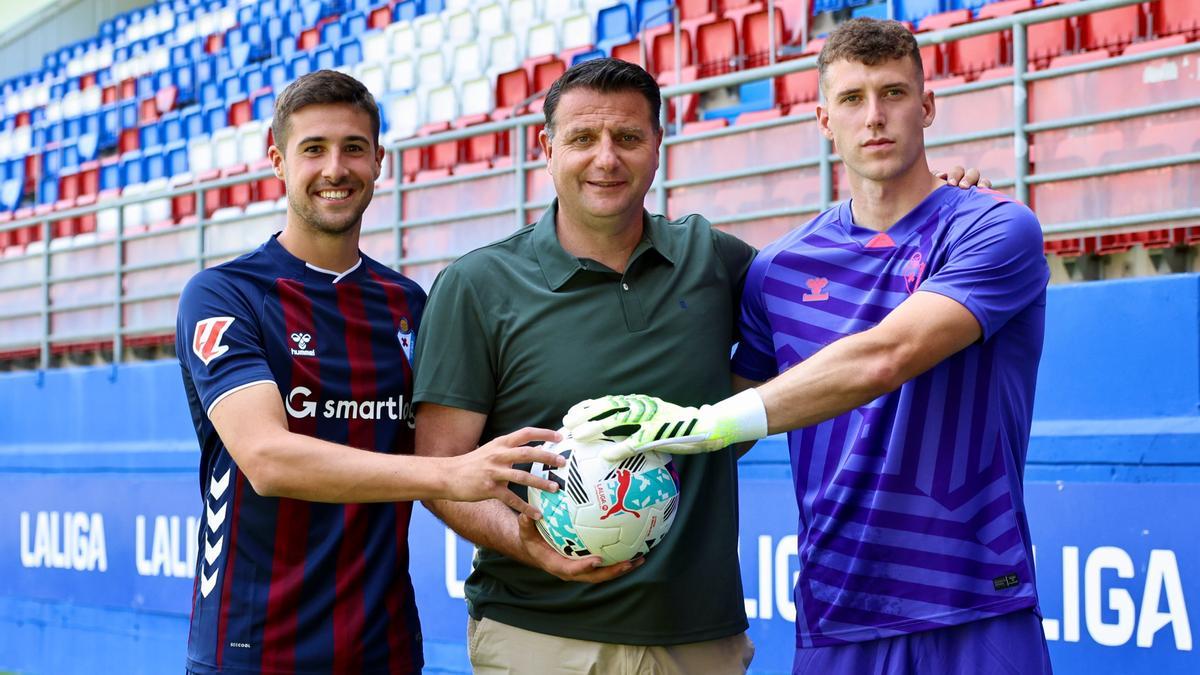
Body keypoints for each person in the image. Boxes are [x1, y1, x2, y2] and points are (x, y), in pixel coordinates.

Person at [412, 57, 990, 675]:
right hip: (542, 634)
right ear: (546, 147)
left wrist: (931, 205)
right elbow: (440, 467)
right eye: (583, 139)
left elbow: (840, 275)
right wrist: (527, 545)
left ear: (658, 146)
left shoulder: (711, 258)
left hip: (699, 637)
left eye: (628, 138)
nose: (606, 159)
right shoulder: (477, 284)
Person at [565, 20, 1053, 674]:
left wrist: (700, 423)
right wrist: (601, 458)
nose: (874, 117)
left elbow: (889, 356)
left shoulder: (995, 229)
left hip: (974, 602)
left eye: (894, 94)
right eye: (852, 99)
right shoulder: (779, 269)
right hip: (837, 607)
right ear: (824, 119)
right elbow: (739, 413)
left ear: (928, 106)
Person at [175, 70, 564, 675]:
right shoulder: (225, 295)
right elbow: (269, 460)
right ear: (277, 161)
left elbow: (455, 451)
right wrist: (445, 473)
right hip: (252, 648)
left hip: (382, 648)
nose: (336, 168)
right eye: (314, 149)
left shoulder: (409, 304)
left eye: (354, 148)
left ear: (379, 161)